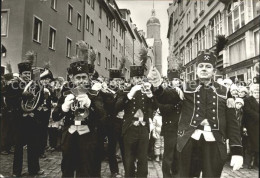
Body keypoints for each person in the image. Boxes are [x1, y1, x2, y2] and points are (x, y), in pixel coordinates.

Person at [52, 41, 106, 177]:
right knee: (67, 170)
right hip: (69, 137)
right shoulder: (65, 91)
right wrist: (63, 108)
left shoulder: (94, 93)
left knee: (85, 171)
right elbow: (55, 116)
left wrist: (90, 104)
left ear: (88, 78)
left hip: (87, 138)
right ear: (72, 78)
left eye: (84, 77)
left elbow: (102, 115)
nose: (81, 81)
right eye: (78, 78)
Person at [115, 64, 157, 177]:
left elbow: (155, 107)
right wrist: (130, 94)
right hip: (130, 127)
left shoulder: (147, 90)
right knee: (129, 158)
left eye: (141, 78)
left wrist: (151, 95)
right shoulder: (124, 91)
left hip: (143, 127)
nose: (139, 80)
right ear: (132, 79)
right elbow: (117, 108)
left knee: (142, 158)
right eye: (137, 78)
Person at [8, 51, 45, 176]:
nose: (27, 76)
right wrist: (22, 95)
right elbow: (10, 100)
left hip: (32, 119)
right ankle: (16, 171)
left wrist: (35, 110)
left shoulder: (35, 85)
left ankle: (34, 169)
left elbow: (39, 100)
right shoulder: (14, 85)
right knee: (18, 147)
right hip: (19, 120)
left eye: (29, 74)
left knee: (33, 146)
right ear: (20, 74)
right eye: (25, 74)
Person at [148, 67, 182, 177]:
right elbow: (161, 106)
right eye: (175, 80)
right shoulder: (166, 91)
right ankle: (167, 175)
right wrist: (177, 104)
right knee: (169, 155)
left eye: (178, 79)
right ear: (170, 81)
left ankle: (177, 174)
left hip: (181, 127)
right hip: (170, 127)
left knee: (179, 154)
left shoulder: (183, 91)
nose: (177, 82)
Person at [243, 83, 259, 169]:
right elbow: (247, 110)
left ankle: (257, 162)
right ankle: (250, 162)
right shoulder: (248, 100)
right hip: (252, 125)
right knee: (251, 144)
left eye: (258, 92)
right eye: (255, 92)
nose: (257, 93)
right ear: (252, 92)